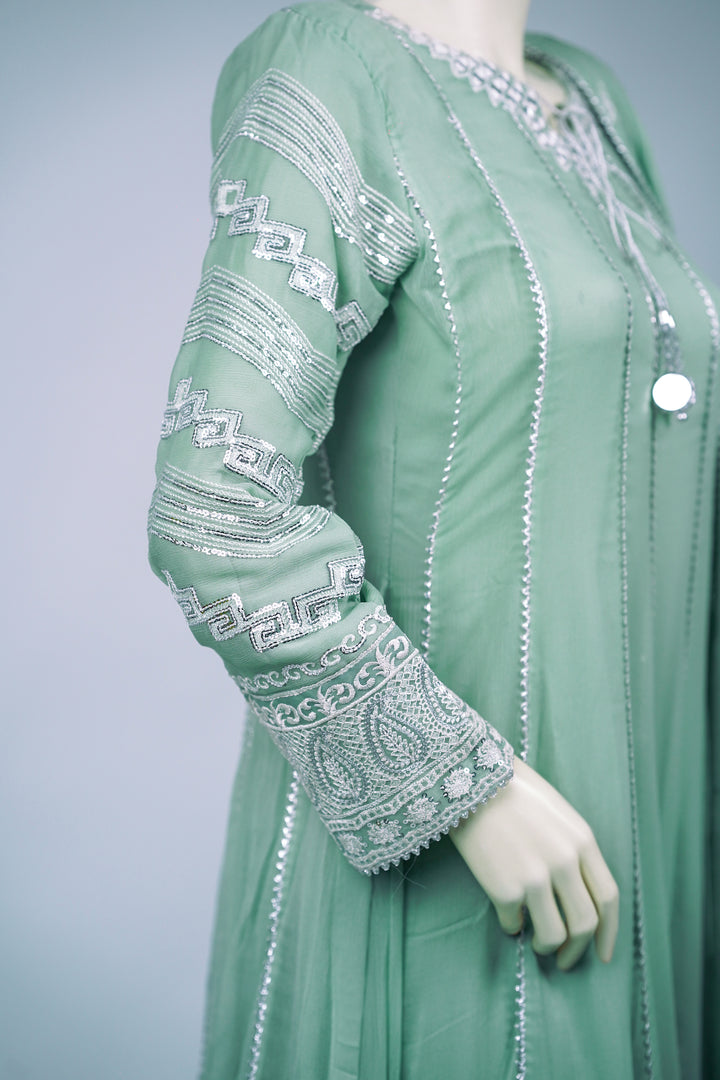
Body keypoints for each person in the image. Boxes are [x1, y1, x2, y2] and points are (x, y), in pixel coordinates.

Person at [147, 0, 719, 1075]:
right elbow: (213, 507)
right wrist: (463, 788)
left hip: (649, 809)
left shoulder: (590, 97)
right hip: (465, 854)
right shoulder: (332, 68)